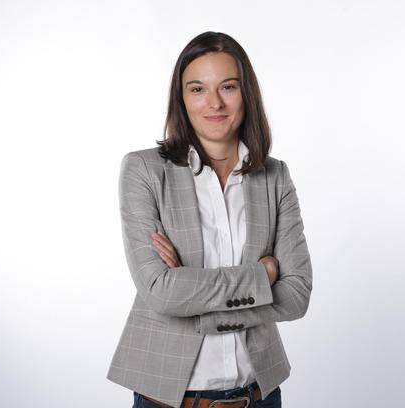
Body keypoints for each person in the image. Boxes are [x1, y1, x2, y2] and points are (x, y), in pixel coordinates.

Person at [106, 31, 313, 408]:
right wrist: (263, 275)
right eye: (198, 89)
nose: (214, 102)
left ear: (246, 94)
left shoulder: (275, 176)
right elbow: (160, 291)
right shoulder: (144, 170)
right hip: (167, 399)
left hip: (259, 395)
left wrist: (197, 299)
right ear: (181, 98)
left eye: (228, 87)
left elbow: (297, 295)